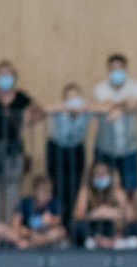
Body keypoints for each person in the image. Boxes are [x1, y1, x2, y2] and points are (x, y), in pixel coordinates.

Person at [0, 61, 43, 239]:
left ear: (14, 77)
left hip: (13, 151)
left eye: (8, 74)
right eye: (2, 74)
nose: (5, 78)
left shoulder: (21, 97)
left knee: (12, 191)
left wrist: (28, 121)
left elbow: (39, 111)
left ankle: (11, 231)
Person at [91, 54, 137, 200]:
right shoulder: (101, 88)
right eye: (113, 69)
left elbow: (135, 103)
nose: (117, 72)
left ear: (125, 69)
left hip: (129, 148)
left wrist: (116, 107)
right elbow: (102, 105)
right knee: (103, 188)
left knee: (130, 188)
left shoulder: (136, 87)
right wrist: (123, 105)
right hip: (105, 147)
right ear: (108, 70)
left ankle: (130, 214)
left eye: (119, 68)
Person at [44, 83, 91, 236]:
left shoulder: (85, 110)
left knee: (73, 189)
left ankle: (68, 226)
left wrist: (85, 108)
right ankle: (57, 225)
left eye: (76, 97)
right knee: (58, 189)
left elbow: (103, 107)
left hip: (76, 150)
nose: (73, 101)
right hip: (58, 150)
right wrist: (63, 108)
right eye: (70, 97)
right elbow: (45, 108)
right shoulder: (60, 109)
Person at [73, 161, 137, 248]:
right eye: (97, 173)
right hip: (94, 230)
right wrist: (95, 213)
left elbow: (131, 216)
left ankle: (116, 241)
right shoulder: (86, 191)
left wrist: (112, 213)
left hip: (115, 230)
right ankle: (95, 241)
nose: (101, 176)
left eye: (104, 173)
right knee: (77, 227)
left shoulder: (117, 191)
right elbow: (78, 215)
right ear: (92, 176)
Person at [0, 174, 66, 248]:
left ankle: (30, 244)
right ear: (36, 191)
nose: (49, 195)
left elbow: (57, 221)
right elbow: (15, 224)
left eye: (50, 192)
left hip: (44, 236)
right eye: (45, 192)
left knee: (59, 232)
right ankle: (28, 244)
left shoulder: (53, 202)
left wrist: (51, 221)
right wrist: (29, 233)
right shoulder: (26, 202)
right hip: (26, 236)